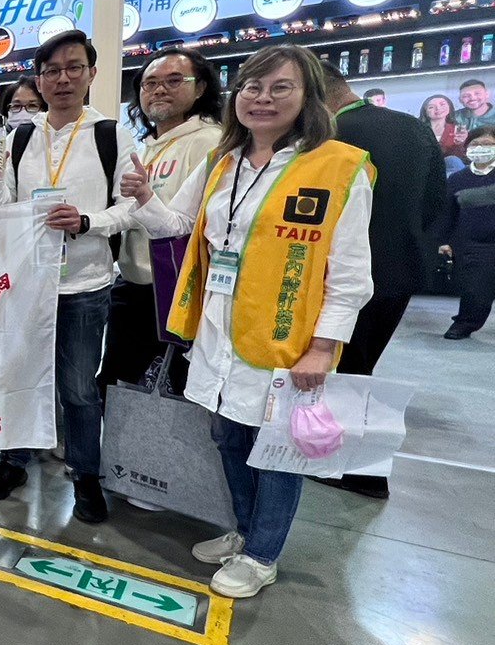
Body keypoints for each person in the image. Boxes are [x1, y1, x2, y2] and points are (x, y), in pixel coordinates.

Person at [124, 44, 373, 598]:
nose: (262, 99)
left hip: (286, 338)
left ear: (308, 96)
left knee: (276, 451)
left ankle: (262, 555)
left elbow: (351, 275)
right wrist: (143, 198)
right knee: (228, 435)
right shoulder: (224, 161)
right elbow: (178, 224)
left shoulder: (339, 167)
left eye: (280, 87)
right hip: (218, 330)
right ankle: (243, 530)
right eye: (252, 88)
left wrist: (323, 347)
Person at [0, 29, 138, 523]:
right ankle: (13, 460)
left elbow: (132, 206)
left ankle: (85, 474)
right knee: (21, 377)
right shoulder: (23, 136)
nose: (62, 79)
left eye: (73, 68)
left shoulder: (111, 135)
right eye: (51, 71)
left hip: (84, 284)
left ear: (91, 73)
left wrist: (88, 221)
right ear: (40, 80)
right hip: (27, 283)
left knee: (78, 387)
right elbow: (3, 208)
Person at [323, 65, 447, 498]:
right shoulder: (412, 127)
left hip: (342, 272)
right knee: (361, 368)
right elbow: (436, 202)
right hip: (400, 270)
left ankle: (347, 468)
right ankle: (365, 470)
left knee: (334, 368)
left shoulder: (330, 135)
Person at [101, 50, 223, 393]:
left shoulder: (210, 142)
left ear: (200, 88)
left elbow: (194, 223)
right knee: (118, 385)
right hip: (133, 286)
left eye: (174, 81)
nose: (159, 90)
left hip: (178, 291)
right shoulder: (147, 146)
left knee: (172, 393)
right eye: (150, 83)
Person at [440, 126, 495, 342]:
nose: (481, 149)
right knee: (476, 290)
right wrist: (444, 241)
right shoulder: (457, 179)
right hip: (475, 244)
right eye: (476, 144)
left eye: (488, 144)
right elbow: (448, 213)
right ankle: (464, 323)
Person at [421, 94, 463, 160]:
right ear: (425, 112)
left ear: (449, 107)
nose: (438, 108)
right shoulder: (419, 130)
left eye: (442, 104)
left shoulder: (457, 129)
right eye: (431, 107)